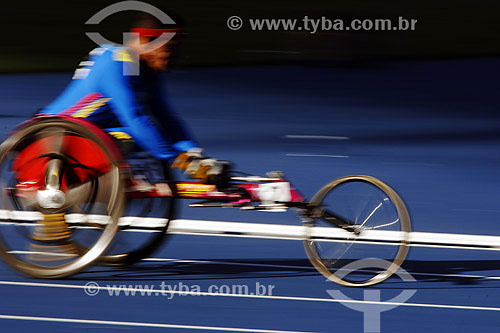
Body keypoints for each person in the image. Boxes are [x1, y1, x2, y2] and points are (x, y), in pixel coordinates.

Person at [39, 15, 229, 186]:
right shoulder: (115, 62)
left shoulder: (147, 70)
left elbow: (166, 118)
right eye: (170, 48)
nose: (175, 55)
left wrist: (194, 154)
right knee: (132, 136)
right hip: (54, 135)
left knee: (144, 136)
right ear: (146, 41)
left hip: (91, 132)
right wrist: (178, 159)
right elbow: (134, 117)